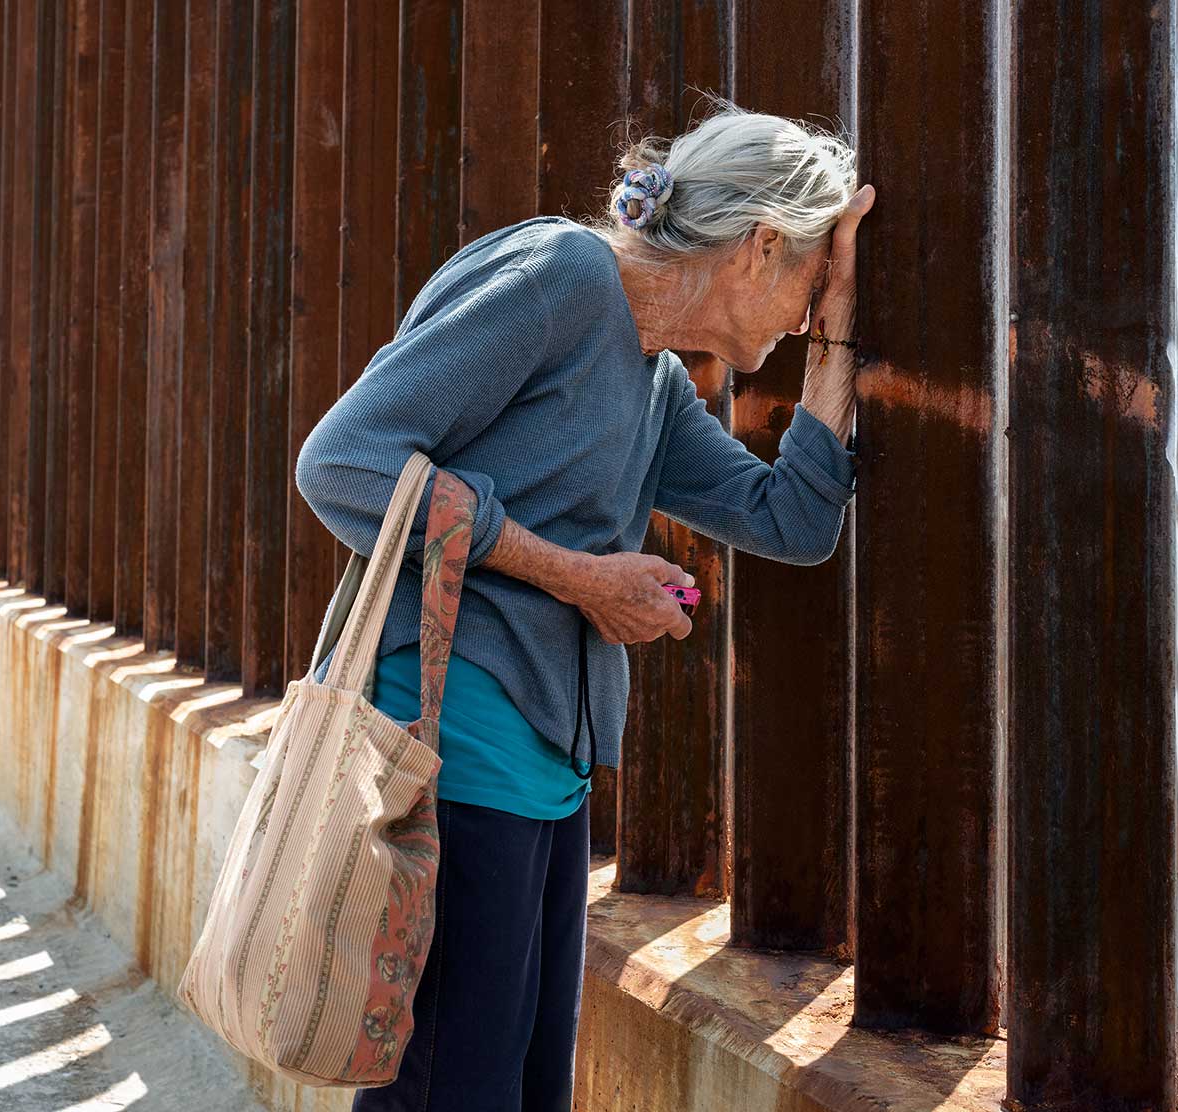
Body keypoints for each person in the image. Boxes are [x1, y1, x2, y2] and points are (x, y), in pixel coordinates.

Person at [293, 92, 876, 1112]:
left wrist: (836, 340)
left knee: (518, 1090)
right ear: (760, 246)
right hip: (450, 750)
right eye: (810, 283)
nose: (801, 313)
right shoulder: (559, 277)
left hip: (549, 774)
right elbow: (342, 462)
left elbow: (792, 519)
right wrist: (577, 575)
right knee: (449, 1091)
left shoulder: (653, 378)